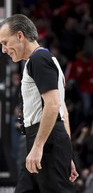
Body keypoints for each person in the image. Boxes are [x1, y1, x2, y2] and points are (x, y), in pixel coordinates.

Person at [0, 14, 78, 192]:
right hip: (49, 140)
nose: (4, 50)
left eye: (5, 42)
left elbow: (52, 105)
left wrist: (38, 146)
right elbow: (63, 111)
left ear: (20, 35)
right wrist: (67, 155)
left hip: (46, 140)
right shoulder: (46, 60)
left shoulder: (39, 60)